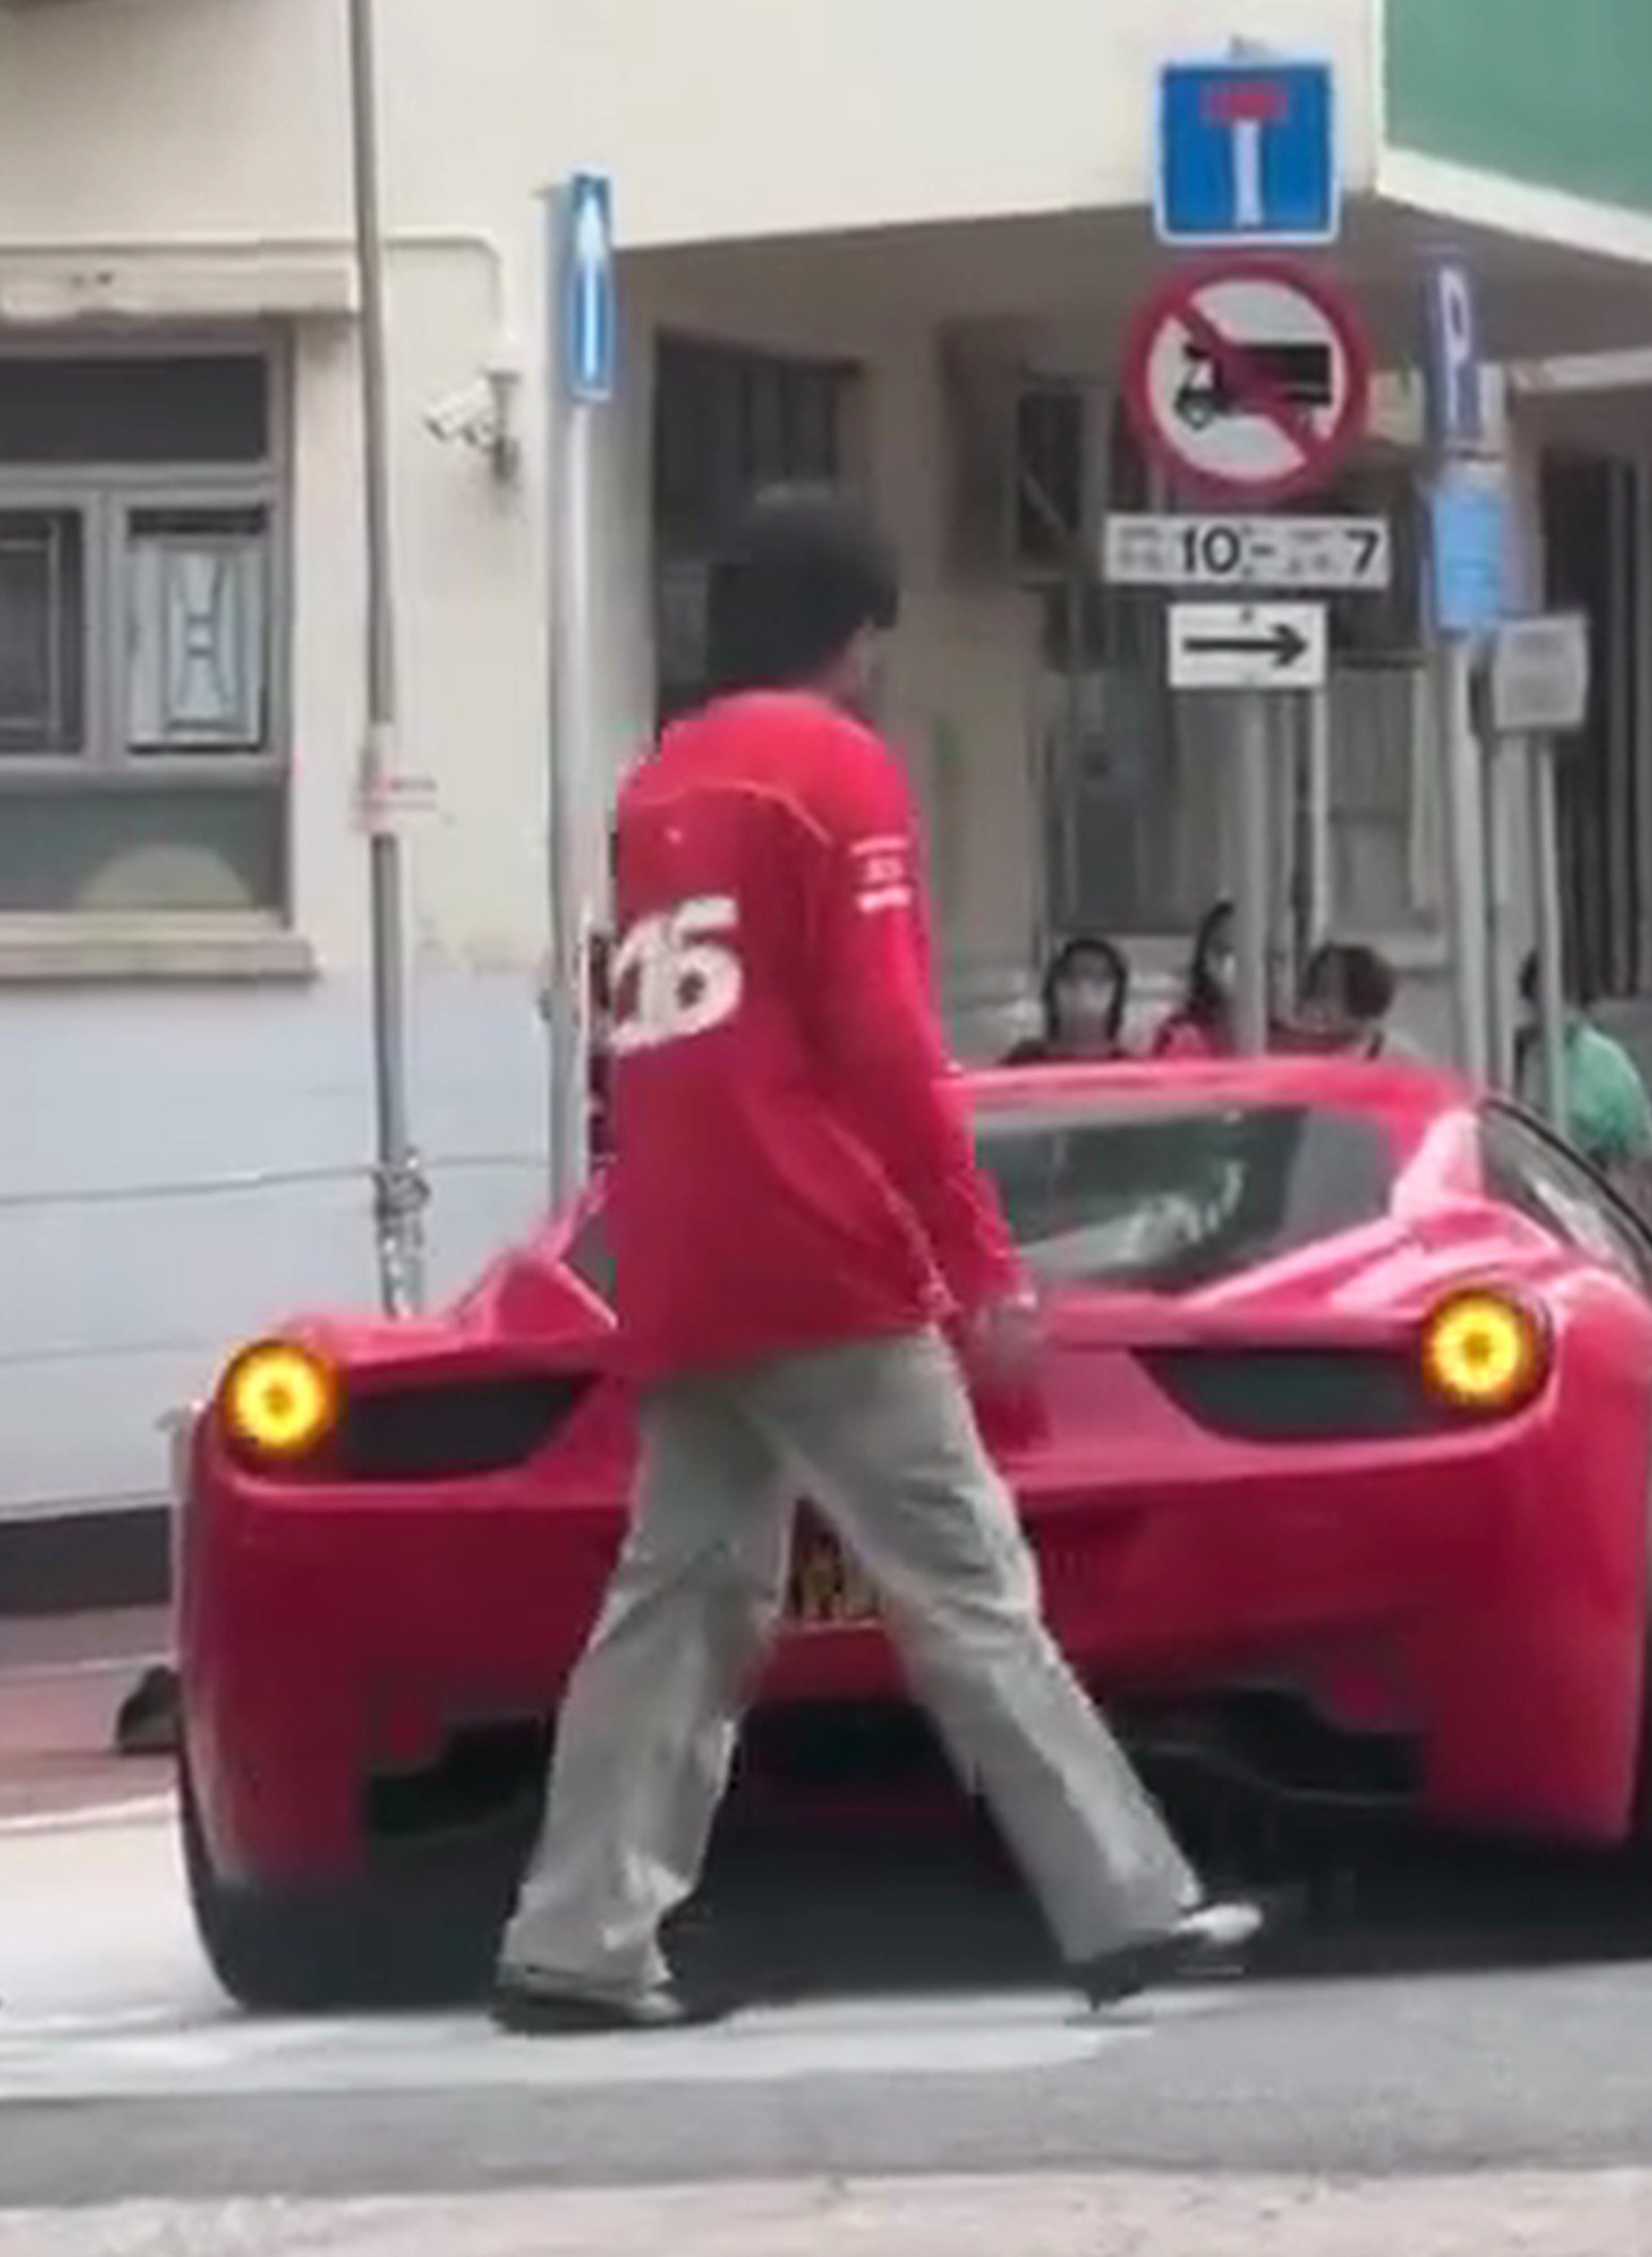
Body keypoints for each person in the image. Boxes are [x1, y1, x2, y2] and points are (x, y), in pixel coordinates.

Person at [487, 487, 1266, 2035]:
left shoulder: (657, 784)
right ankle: (1124, 1900)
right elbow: (882, 1040)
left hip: (679, 1246)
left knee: (680, 1595)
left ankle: (576, 1929)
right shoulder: (834, 772)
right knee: (965, 1579)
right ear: (856, 632)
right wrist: (977, 1262)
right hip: (822, 1250)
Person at [1512, 955, 1652, 1237]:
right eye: (1538, 998)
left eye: (1562, 996)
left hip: (1594, 1201)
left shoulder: (1603, 1060)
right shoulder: (1523, 1056)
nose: (1548, 1008)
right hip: (1535, 1202)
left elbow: (1644, 1138)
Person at [1001, 935, 1134, 1065]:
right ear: (1051, 991)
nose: (1083, 988)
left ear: (1117, 994)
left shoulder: (1131, 1069)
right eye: (1071, 977)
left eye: (1100, 979)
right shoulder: (1023, 1062)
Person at [1147, 901, 1239, 1058]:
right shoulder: (1183, 1036)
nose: (1229, 965)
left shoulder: (1281, 1044)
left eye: (1236, 953)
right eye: (1220, 952)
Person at [1286, 941, 1401, 1058]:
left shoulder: (1396, 1060)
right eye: (1311, 988)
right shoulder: (1289, 1045)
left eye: (1326, 991)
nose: (1311, 1006)